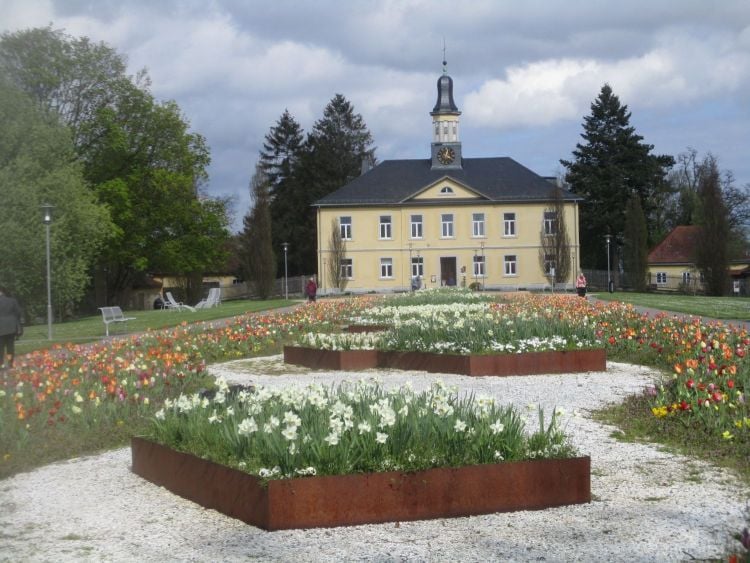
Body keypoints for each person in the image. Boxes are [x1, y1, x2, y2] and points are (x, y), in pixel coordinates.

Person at [0, 286, 23, 369]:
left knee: (0, 347)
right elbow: (18, 312)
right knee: (10, 346)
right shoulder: (12, 301)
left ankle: (1, 364)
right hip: (11, 327)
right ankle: (10, 363)